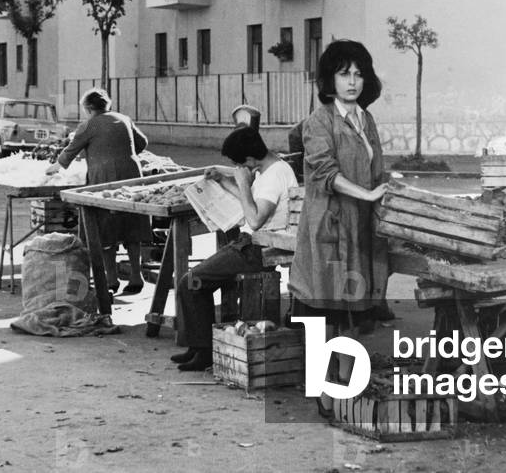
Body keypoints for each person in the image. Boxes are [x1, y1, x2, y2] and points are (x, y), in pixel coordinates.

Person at [288, 39, 389, 417]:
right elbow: (326, 173)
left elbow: (377, 170)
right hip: (328, 226)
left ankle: (343, 386)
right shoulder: (318, 121)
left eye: (359, 73)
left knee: (350, 308)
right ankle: (321, 394)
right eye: (344, 73)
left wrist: (383, 196)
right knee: (323, 309)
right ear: (330, 78)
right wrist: (366, 194)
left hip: (359, 225)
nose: (352, 81)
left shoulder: (366, 119)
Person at [170, 125, 298, 371]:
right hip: (252, 244)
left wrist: (240, 183)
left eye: (242, 165)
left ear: (250, 158)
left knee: (191, 282)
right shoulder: (267, 167)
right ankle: (198, 347)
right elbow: (248, 199)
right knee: (193, 282)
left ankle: (204, 351)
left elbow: (256, 219)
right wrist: (225, 181)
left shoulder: (273, 176)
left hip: (260, 248)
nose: (243, 170)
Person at [46, 89, 150, 296]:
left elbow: (70, 152)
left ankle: (111, 280)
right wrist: (122, 154)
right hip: (132, 175)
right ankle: (137, 276)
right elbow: (142, 143)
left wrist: (52, 168)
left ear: (89, 108)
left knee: (105, 227)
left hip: (104, 179)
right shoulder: (124, 119)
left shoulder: (89, 125)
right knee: (131, 224)